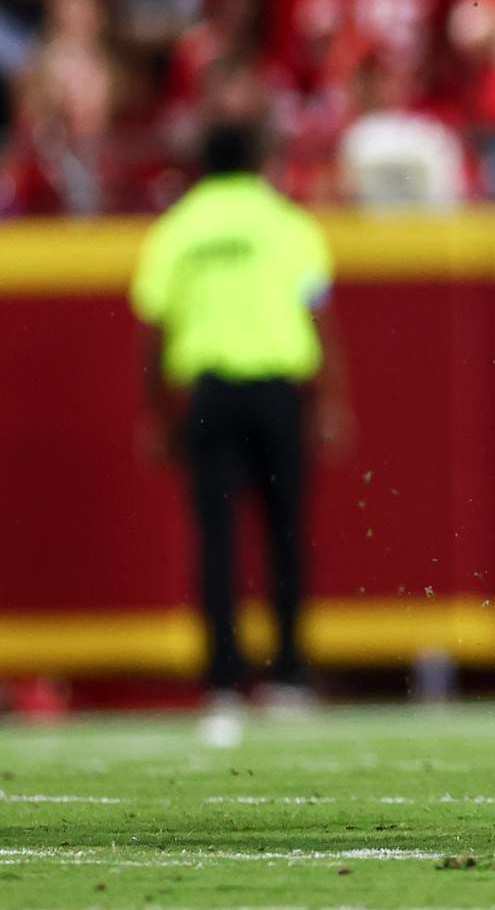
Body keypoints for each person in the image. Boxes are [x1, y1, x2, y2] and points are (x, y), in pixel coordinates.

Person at [130, 80, 350, 747]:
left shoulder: (178, 229)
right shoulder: (285, 222)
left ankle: (223, 678)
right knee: (285, 534)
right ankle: (289, 673)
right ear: (257, 160)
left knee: (217, 539)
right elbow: (320, 314)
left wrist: (155, 413)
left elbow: (153, 328)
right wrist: (333, 400)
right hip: (278, 393)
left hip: (210, 397)